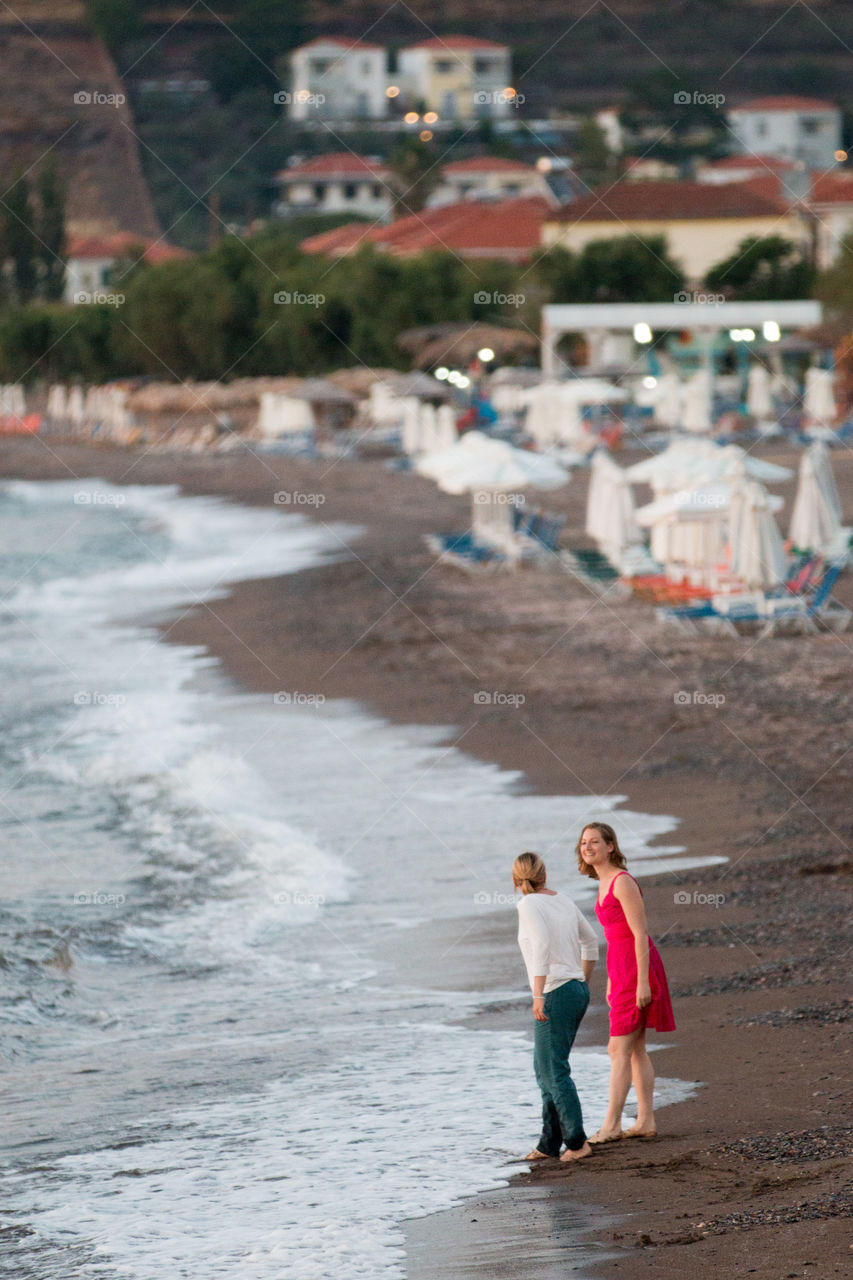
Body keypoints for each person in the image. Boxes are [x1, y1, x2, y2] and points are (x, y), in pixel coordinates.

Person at [576, 822, 675, 1143]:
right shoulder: (602, 883)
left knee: (617, 1048)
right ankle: (645, 1120)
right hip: (621, 970)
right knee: (634, 1049)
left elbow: (639, 934)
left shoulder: (622, 882)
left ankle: (612, 1125)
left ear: (610, 846)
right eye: (583, 843)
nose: (587, 847)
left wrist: (643, 982)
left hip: (637, 967)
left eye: (594, 842)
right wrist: (610, 980)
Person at [512, 851, 599, 1163]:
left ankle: (577, 1142)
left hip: (554, 993)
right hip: (574, 989)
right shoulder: (562, 898)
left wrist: (538, 995)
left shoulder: (528, 903)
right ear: (543, 873)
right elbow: (591, 941)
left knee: (554, 1071)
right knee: (545, 1068)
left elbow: (541, 945)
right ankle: (549, 1143)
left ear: (516, 879)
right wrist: (581, 981)